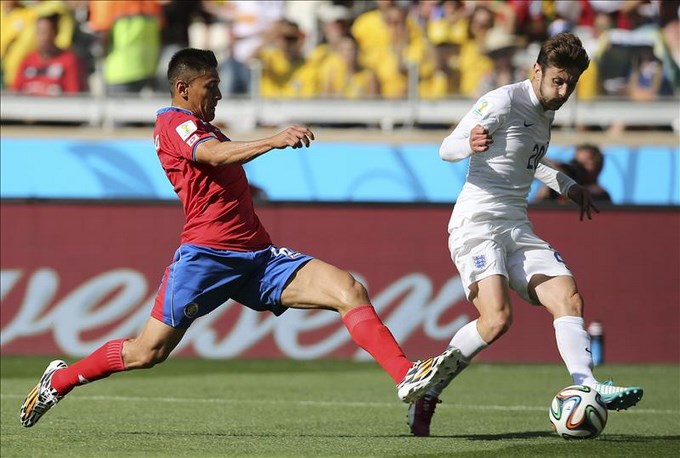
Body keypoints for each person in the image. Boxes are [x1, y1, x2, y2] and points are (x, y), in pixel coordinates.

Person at [19, 48, 462, 428]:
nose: (219, 94)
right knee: (146, 352)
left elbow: (216, 166)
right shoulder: (175, 123)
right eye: (210, 86)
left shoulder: (204, 126)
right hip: (207, 258)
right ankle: (59, 380)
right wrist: (274, 139)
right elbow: (212, 156)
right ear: (182, 88)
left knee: (349, 290)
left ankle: (406, 377)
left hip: (258, 256)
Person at [407, 32, 643, 437]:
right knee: (496, 319)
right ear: (537, 71)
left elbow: (526, 161)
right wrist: (470, 143)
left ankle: (588, 384)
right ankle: (428, 387)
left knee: (568, 296)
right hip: (477, 223)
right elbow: (446, 147)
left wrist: (567, 184)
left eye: (570, 84)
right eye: (557, 81)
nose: (563, 91)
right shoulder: (502, 101)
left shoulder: (545, 110)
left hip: (516, 225)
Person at [12, 13, 85, 96]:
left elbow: (73, 94)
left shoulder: (68, 60)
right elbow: (15, 92)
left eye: (45, 32)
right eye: (39, 32)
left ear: (55, 33)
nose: (42, 38)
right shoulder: (27, 60)